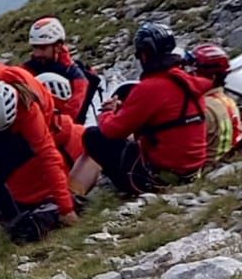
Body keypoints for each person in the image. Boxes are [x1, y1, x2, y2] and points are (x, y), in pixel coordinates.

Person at [70, 22, 213, 197]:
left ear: (145, 54)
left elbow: (112, 130)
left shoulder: (150, 87)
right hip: (191, 169)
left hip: (159, 177)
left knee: (94, 136)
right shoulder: (187, 81)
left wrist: (107, 112)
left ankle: (86, 192)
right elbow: (165, 118)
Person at [0, 59, 78, 243]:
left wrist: (66, 208)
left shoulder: (31, 116)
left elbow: (50, 159)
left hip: (28, 128)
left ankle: (12, 228)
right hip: (0, 121)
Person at [24, 17, 97, 123]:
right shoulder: (28, 69)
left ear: (58, 47)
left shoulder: (77, 78)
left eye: (43, 48)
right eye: (35, 47)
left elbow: (72, 115)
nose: (37, 53)